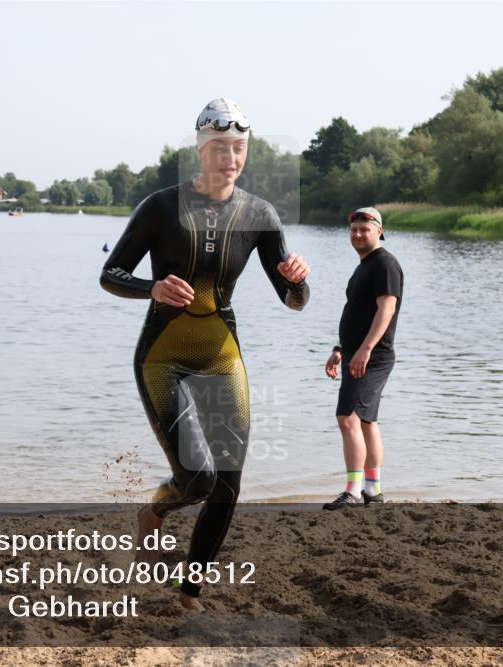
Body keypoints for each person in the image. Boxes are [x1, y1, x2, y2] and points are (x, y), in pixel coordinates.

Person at [100, 98, 310, 609]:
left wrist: (299, 284)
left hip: (222, 354)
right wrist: (150, 288)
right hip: (162, 357)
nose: (230, 157)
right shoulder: (160, 206)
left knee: (228, 482)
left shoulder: (260, 214)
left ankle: (189, 589)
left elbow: (294, 301)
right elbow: (111, 275)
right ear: (200, 151)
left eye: (238, 148)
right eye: (219, 148)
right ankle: (155, 509)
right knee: (197, 478)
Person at [323, 207, 403, 510]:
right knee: (367, 421)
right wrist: (340, 348)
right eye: (354, 230)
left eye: (364, 229)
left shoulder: (385, 264)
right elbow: (357, 313)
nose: (357, 234)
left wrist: (366, 349)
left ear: (379, 231)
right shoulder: (364, 266)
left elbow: (387, 309)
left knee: (348, 418)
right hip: (357, 354)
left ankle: (354, 491)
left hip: (373, 356)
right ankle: (372, 489)